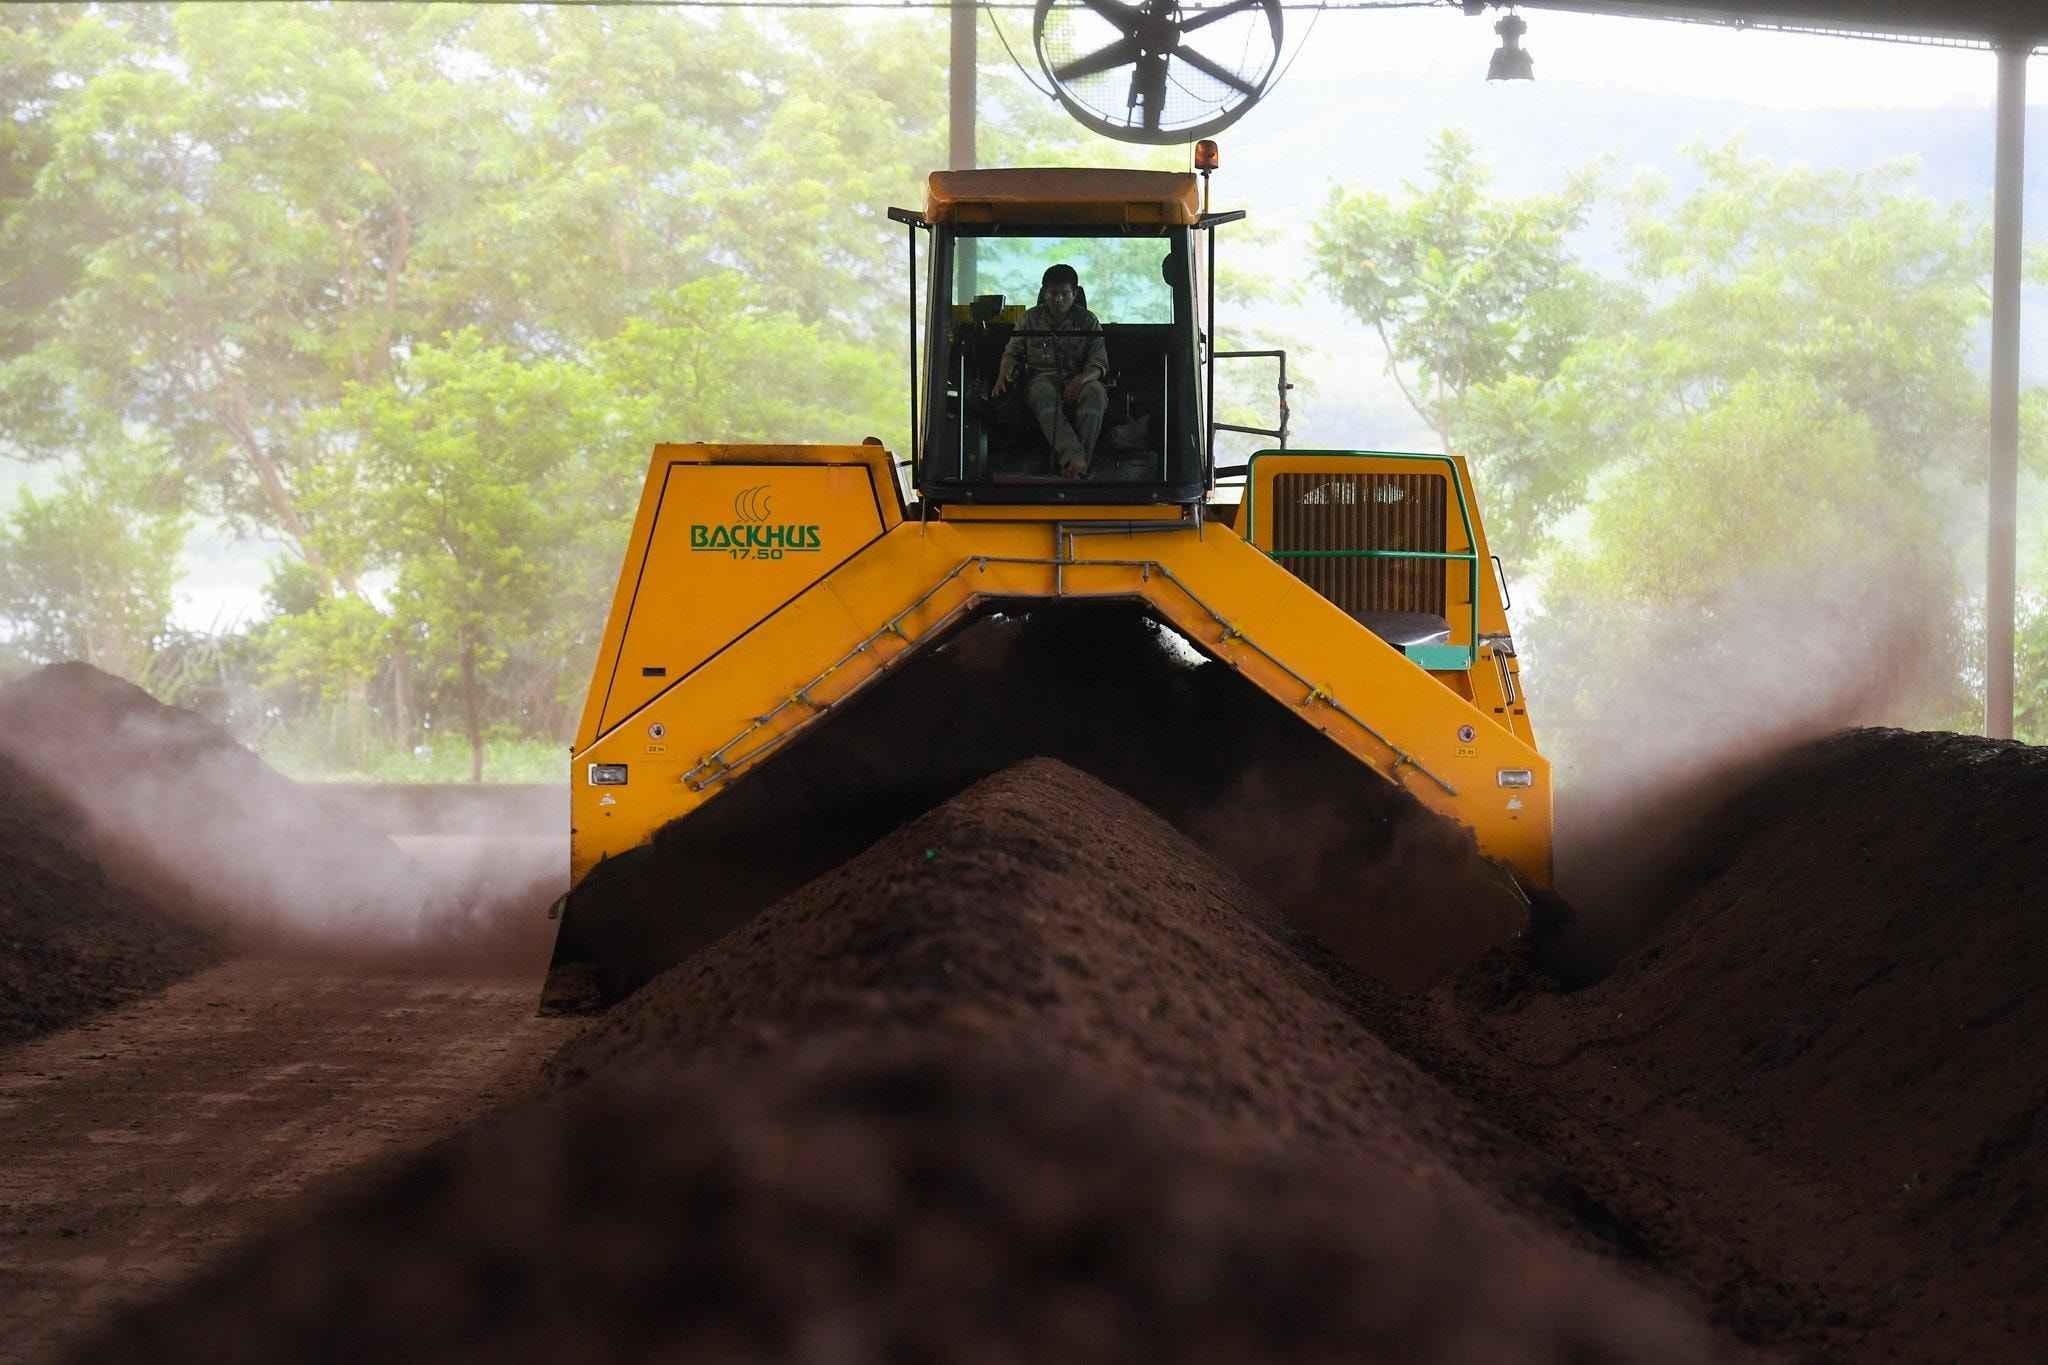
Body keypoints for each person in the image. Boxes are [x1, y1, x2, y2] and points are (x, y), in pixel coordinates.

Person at [990, 263, 1108, 478]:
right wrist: (1002, 375)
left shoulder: (1088, 321)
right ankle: (1075, 460)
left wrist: (1080, 381)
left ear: (1075, 293)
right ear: (1044, 293)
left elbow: (1099, 364)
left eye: (1064, 293)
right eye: (1053, 293)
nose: (1058, 299)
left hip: (1079, 379)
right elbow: (1012, 353)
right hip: (1041, 378)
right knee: (1042, 392)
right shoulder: (1029, 319)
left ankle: (1076, 470)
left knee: (1096, 393)